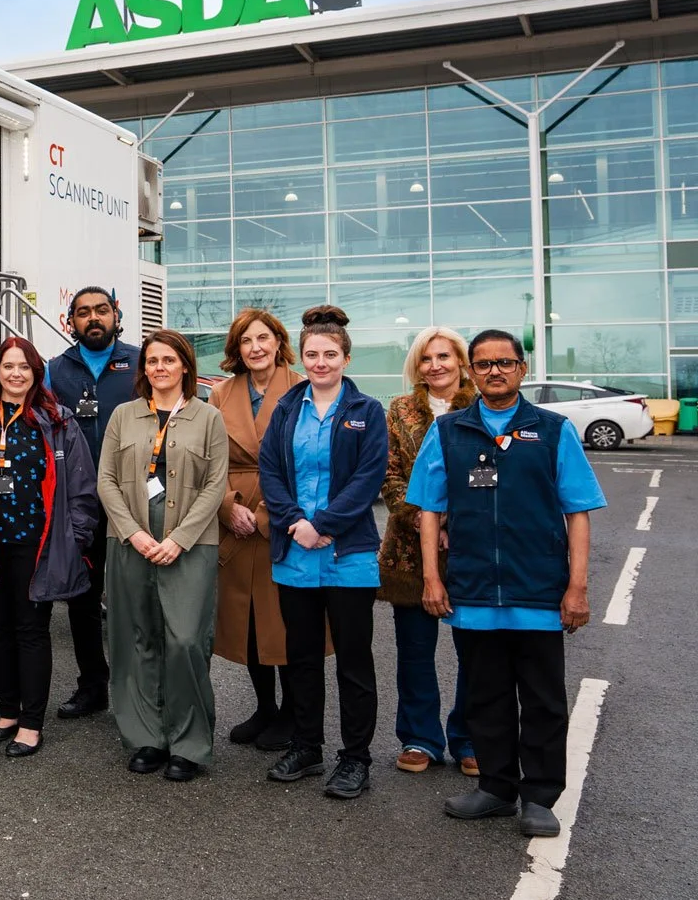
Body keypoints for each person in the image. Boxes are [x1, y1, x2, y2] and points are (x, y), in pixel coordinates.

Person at [411, 330, 602, 838]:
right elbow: (428, 511)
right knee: (485, 696)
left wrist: (576, 587)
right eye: (483, 364)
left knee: (542, 699)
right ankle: (495, 788)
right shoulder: (448, 431)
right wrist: (432, 578)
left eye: (504, 362)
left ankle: (539, 797)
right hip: (472, 591)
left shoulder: (554, 430)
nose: (494, 371)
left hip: (538, 590)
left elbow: (578, 512)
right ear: (471, 372)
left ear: (521, 369)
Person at [0, 338, 99, 757]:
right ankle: (8, 711)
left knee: (31, 629)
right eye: (8, 366)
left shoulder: (58, 420)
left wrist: (76, 537)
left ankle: (31, 723)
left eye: (24, 367)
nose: (16, 374)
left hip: (38, 543)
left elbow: (82, 488)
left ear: (36, 373)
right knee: (0, 627)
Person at [258, 305, 389, 800]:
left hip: (347, 555)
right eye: (311, 353)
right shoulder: (288, 407)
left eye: (329, 354)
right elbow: (271, 469)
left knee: (354, 662)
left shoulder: (367, 411)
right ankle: (306, 745)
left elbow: (368, 478)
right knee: (303, 658)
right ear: (302, 356)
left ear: (346, 358)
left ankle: (355, 758)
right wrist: (296, 523)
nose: (320, 362)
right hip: (295, 554)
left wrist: (324, 525)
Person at [96, 328, 230, 781]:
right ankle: (146, 737)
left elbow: (215, 485)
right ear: (144, 369)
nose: (159, 368)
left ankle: (189, 743)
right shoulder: (123, 416)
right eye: (152, 361)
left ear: (185, 367)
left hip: (190, 544)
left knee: (186, 640)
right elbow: (106, 482)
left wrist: (179, 539)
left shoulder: (208, 417)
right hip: (130, 541)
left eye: (168, 360)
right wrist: (133, 533)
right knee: (137, 639)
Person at [379, 326, 478, 777]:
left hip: (471, 546)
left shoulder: (484, 407)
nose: (435, 365)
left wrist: (455, 525)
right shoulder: (399, 410)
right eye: (425, 358)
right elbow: (390, 474)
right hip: (410, 548)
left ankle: (471, 739)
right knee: (415, 650)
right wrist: (425, 522)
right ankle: (420, 738)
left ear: (461, 361)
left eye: (444, 356)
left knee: (476, 650)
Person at [208, 308, 303, 752]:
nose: (256, 347)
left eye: (263, 338)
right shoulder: (220, 394)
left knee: (282, 621)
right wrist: (226, 506)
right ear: (236, 349)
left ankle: (293, 712)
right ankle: (265, 706)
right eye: (246, 341)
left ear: (278, 342)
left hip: (286, 516)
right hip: (234, 517)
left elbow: (308, 462)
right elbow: (208, 459)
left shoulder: (304, 388)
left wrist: (269, 514)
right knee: (245, 619)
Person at [44, 285, 140, 718]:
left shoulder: (141, 362)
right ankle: (92, 686)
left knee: (133, 599)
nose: (93, 318)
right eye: (83, 313)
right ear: (72, 322)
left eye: (102, 310)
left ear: (116, 315)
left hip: (135, 500)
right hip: (78, 502)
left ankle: (137, 687)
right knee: (82, 599)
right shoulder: (55, 370)